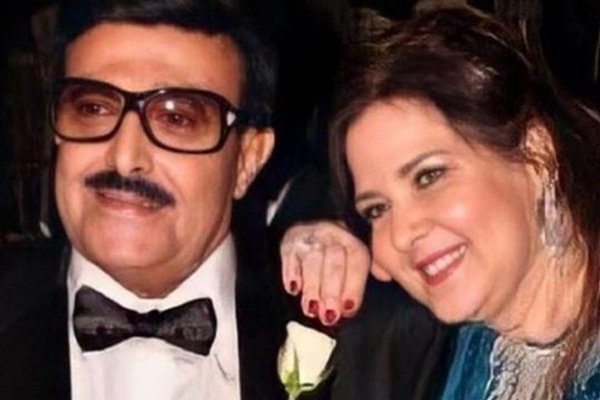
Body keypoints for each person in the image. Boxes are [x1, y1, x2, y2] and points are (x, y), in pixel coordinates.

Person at [0, 1, 329, 399]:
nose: (125, 158)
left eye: (177, 118)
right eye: (93, 108)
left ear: (247, 159)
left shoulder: (357, 338)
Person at [281, 7, 600, 400]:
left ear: (539, 157)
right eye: (377, 209)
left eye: (429, 176)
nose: (401, 234)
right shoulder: (460, 349)